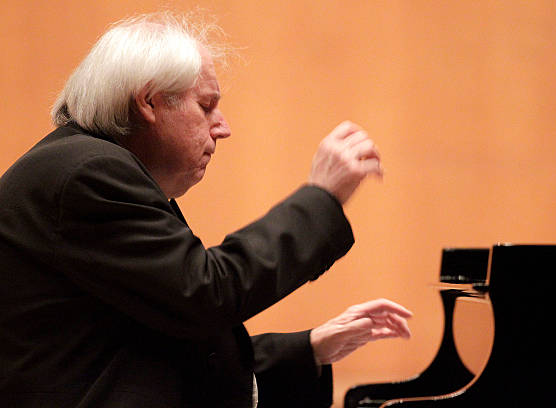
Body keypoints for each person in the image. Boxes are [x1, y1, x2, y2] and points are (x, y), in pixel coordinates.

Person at [0, 12, 412, 408]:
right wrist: (321, 197)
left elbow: (154, 354)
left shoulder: (84, 167)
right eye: (206, 105)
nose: (223, 127)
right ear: (149, 101)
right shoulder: (88, 174)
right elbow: (205, 293)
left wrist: (310, 349)